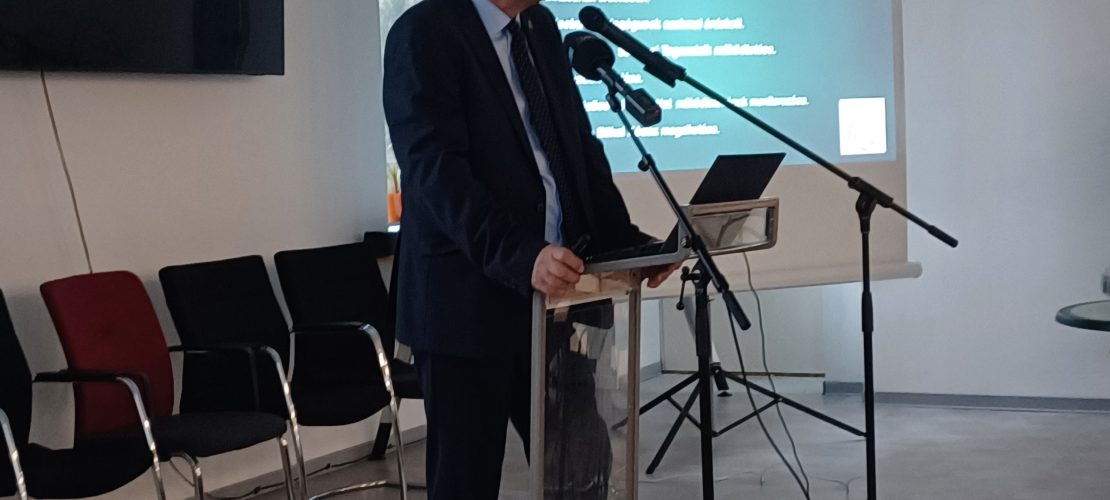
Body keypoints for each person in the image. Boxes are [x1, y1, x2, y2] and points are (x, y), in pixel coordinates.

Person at [383, 0, 678, 497]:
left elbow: (577, 149)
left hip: (557, 307)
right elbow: (436, 173)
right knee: (466, 483)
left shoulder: (539, 27)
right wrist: (522, 256)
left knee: (580, 475)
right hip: (467, 307)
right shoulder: (425, 31)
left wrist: (626, 243)